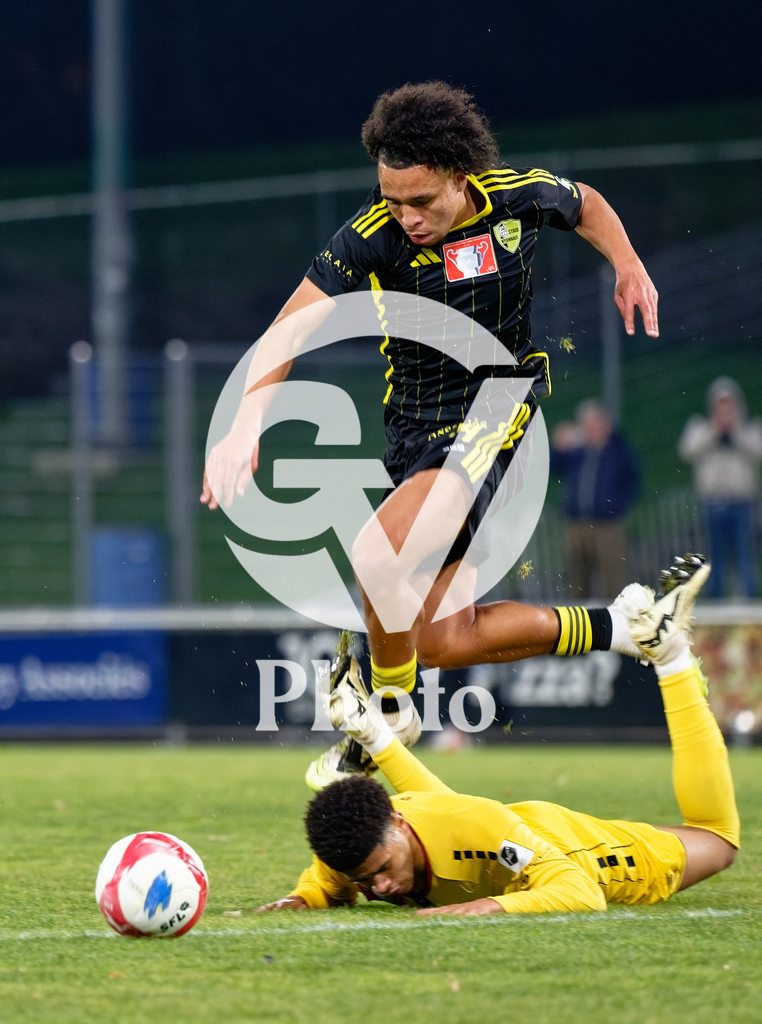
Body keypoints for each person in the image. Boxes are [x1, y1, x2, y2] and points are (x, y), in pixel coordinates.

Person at [201, 81, 660, 789]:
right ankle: (624, 628)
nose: (406, 217)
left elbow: (587, 203)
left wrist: (627, 263)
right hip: (413, 431)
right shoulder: (370, 237)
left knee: (377, 556)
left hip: (495, 408)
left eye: (421, 201)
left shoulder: (517, 197)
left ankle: (383, 719)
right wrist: (246, 423)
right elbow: (290, 328)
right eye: (393, 201)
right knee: (441, 638)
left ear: (460, 175)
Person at [257, 557, 740, 916]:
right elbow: (335, 881)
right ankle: (378, 734)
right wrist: (301, 898)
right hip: (523, 828)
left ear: (399, 826)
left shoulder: (476, 826)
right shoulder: (359, 844)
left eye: (381, 869)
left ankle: (672, 658)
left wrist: (490, 907)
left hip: (598, 854)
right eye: (367, 880)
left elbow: (581, 892)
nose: (380, 887)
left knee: (718, 840)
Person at [678, 376, 762, 598]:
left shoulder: (749, 428)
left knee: (745, 556)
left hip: (742, 503)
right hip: (713, 503)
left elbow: (757, 450)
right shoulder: (701, 427)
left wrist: (735, 430)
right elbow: (687, 450)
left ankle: (749, 602)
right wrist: (716, 429)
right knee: (715, 557)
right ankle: (715, 604)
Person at [551, 399, 640, 599]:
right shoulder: (578, 453)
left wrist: (616, 506)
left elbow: (632, 481)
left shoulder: (618, 451)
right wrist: (558, 445)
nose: (591, 429)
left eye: (595, 423)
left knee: (613, 576)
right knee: (578, 578)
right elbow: (551, 465)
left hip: (607, 524)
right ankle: (578, 621)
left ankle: (616, 622)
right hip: (578, 523)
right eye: (586, 425)